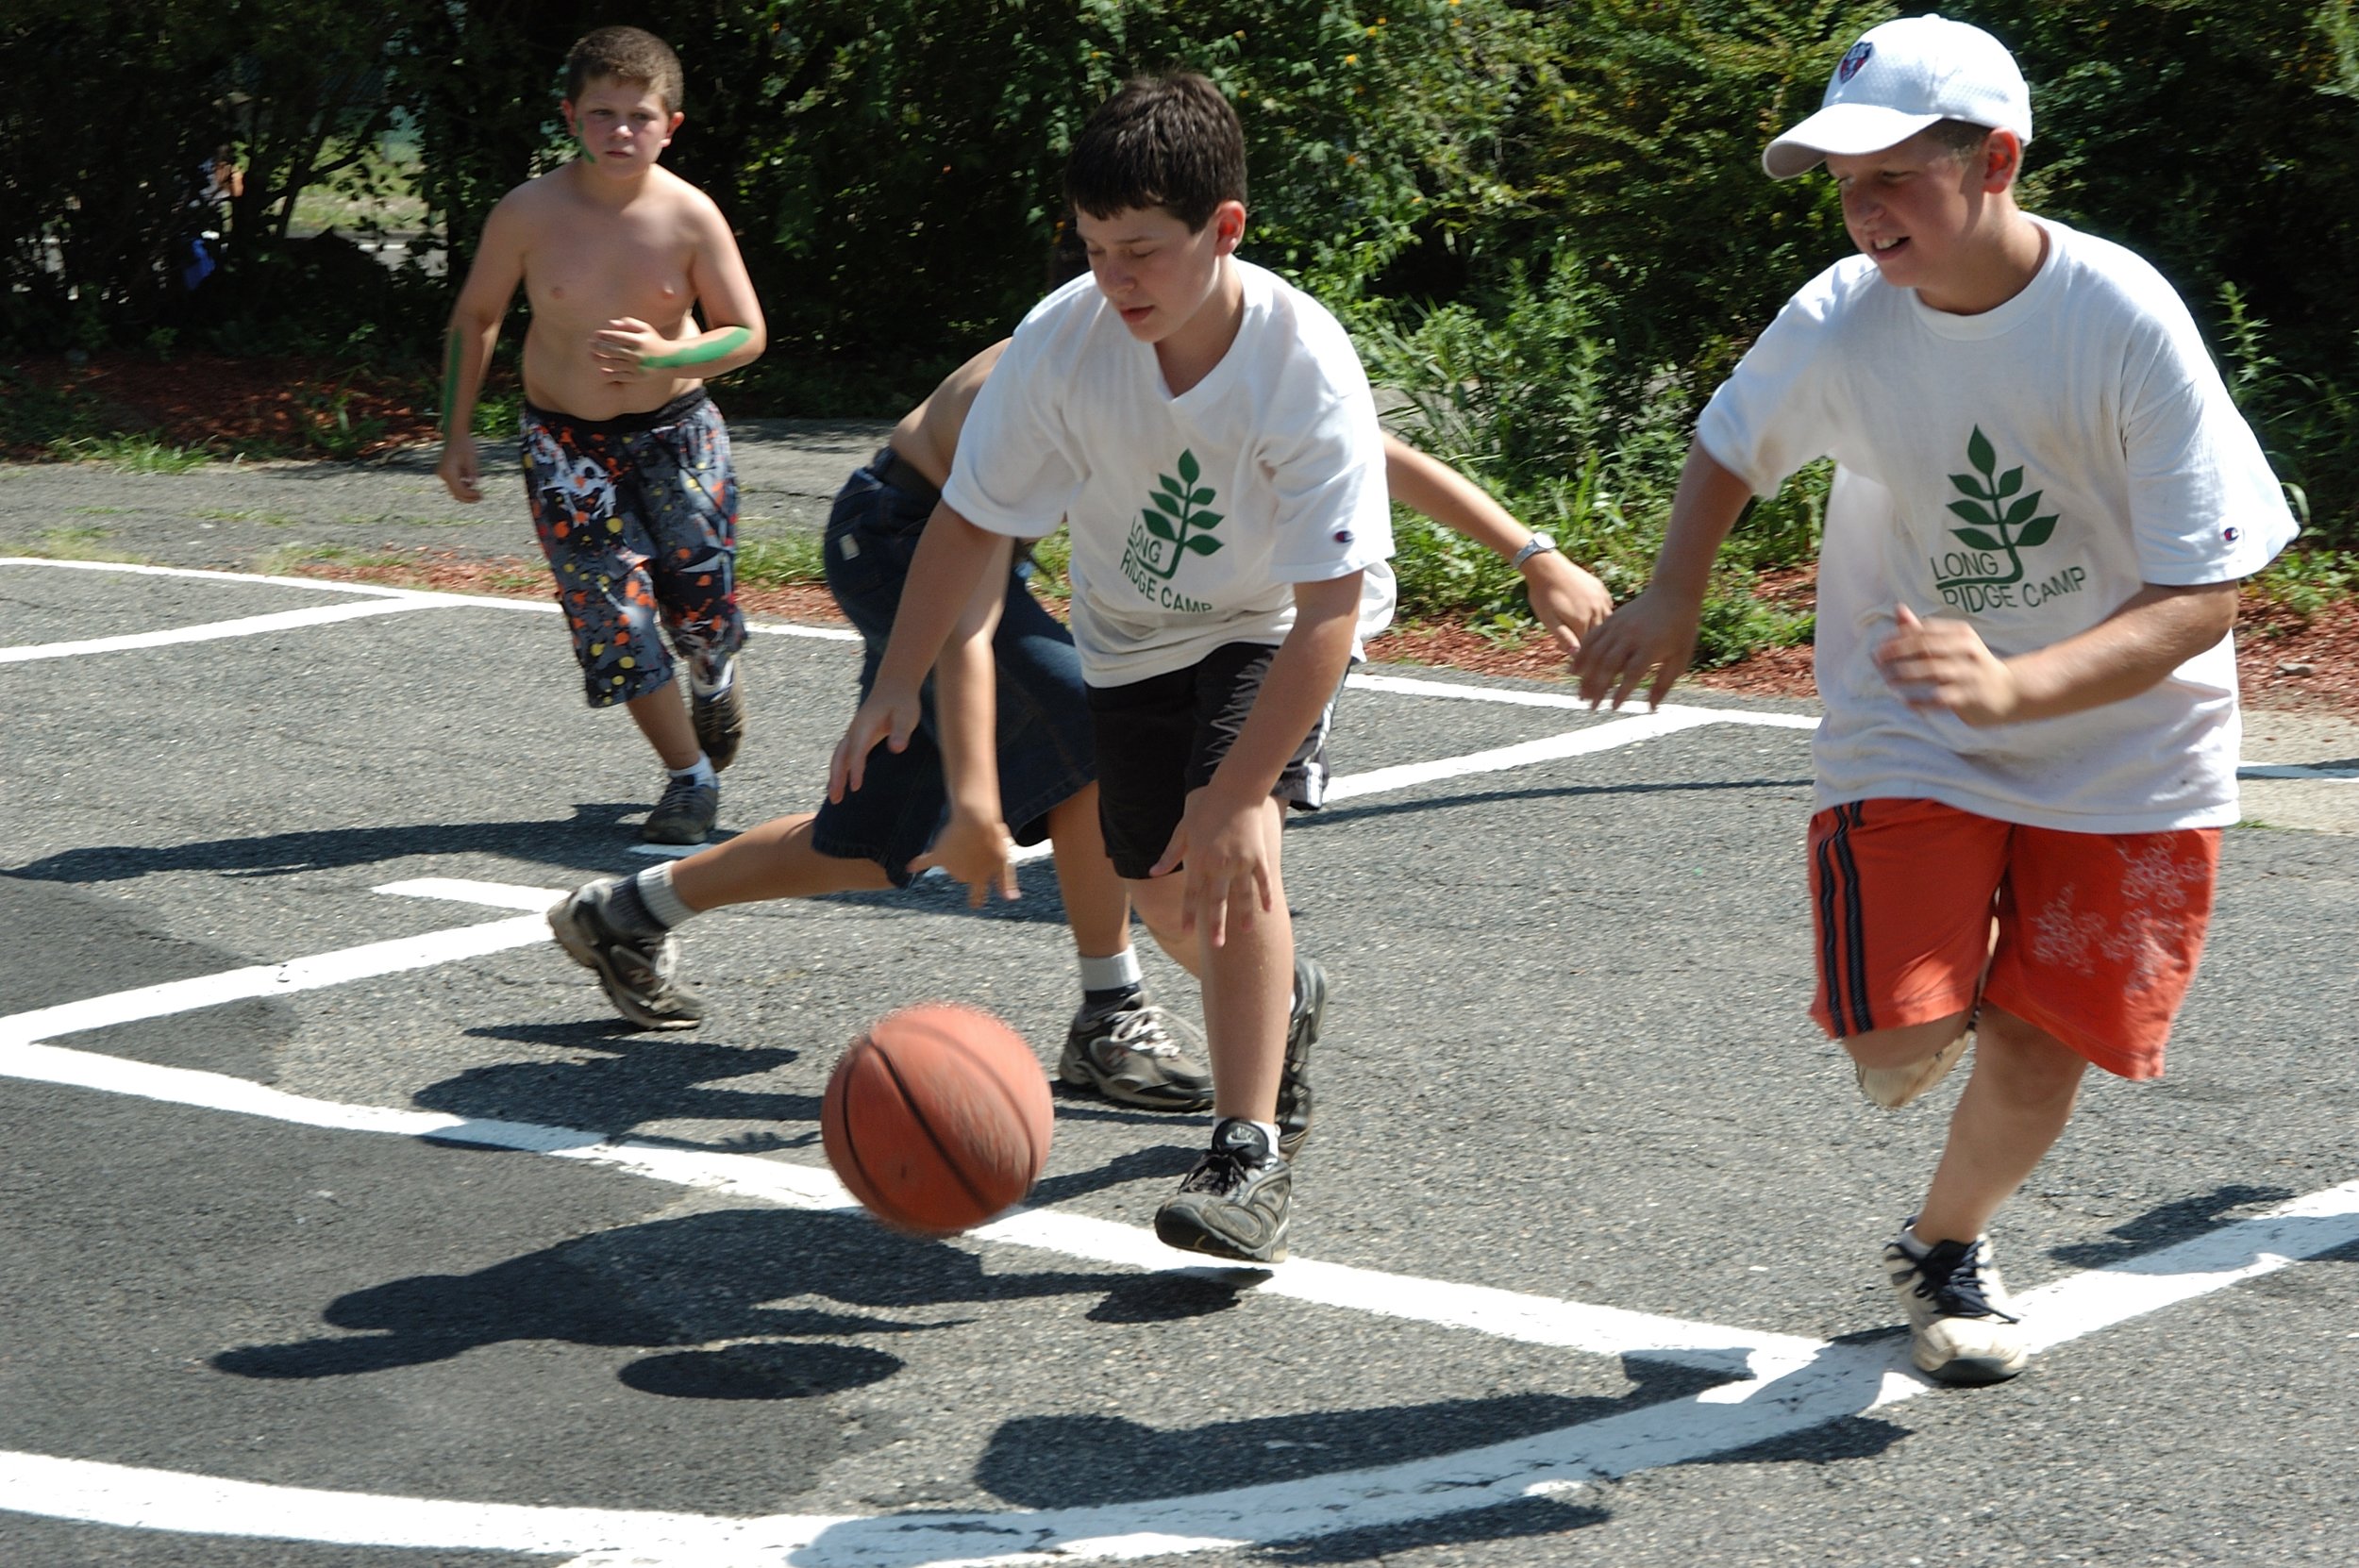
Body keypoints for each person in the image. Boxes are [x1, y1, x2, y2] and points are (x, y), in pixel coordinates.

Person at [1573, 15, 2296, 1384]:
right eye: (1848, 182)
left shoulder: (2121, 316)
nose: (1864, 209)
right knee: (1896, 1038)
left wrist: (2023, 681)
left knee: (2038, 1048)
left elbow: (2205, 597)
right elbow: (1731, 441)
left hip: (2134, 745)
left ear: (2000, 159)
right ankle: (1936, 1013)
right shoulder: (1844, 317)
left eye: (1896, 174)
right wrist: (1673, 592)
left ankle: (1946, 1244)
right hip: (1919, 719)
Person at [548, 334, 1612, 1121]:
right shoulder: (1066, 362)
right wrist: (973, 789)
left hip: (971, 557)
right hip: (904, 540)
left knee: (874, 849)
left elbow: (1365, 452)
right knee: (1092, 742)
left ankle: (628, 910)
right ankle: (1115, 1016)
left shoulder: (1239, 349)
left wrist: (1533, 555)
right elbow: (961, 599)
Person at [828, 73, 1414, 1265]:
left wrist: (1240, 790)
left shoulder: (1301, 360)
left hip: (1270, 623)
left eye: (1141, 251)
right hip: (1134, 634)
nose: (1116, 279)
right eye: (1096, 248)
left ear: (1225, 230)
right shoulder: (1063, 341)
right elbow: (969, 524)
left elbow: (1326, 614)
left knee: (1232, 853)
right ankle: (1279, 996)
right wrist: (896, 678)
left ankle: (1244, 1155)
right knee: (1158, 886)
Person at [434, 25, 765, 845]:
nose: (621, 132)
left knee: (703, 608)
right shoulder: (528, 212)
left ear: (671, 125)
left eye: (639, 117)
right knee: (610, 618)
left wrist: (671, 352)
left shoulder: (690, 216)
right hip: (563, 447)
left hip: (679, 439)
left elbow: (747, 332)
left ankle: (715, 669)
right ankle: (687, 780)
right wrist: (456, 433)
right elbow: (475, 319)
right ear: (570, 117)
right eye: (602, 113)